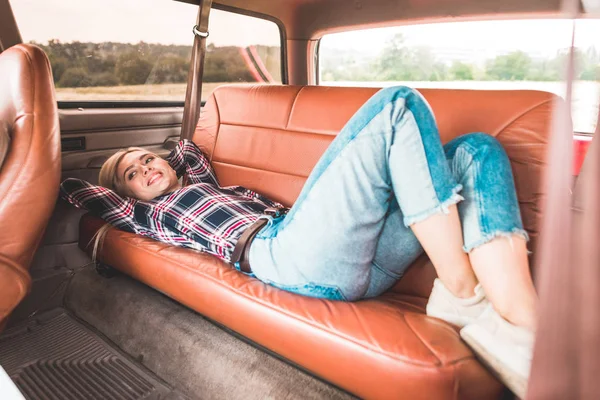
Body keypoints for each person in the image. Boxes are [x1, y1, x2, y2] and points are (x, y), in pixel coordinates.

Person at [61, 86, 537, 397]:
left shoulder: (201, 182)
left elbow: (186, 149)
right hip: (282, 252)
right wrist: (116, 179)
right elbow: (80, 191)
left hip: (356, 259)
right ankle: (460, 290)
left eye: (148, 159)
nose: (147, 168)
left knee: (476, 150)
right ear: (125, 192)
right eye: (134, 173)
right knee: (398, 104)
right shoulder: (146, 214)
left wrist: (165, 156)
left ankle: (525, 330)